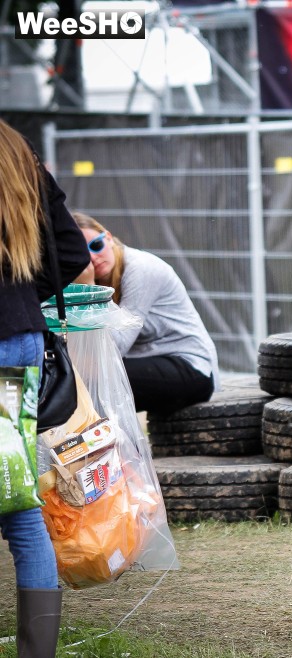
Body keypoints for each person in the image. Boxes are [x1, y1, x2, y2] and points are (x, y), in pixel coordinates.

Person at [0, 119, 90, 657]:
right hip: (18, 338)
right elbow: (73, 252)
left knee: (15, 499)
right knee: (15, 499)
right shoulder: (16, 150)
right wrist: (18, 294)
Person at [73, 213, 220, 416]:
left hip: (192, 368)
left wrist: (89, 289)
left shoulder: (140, 268)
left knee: (93, 382)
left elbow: (117, 346)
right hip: (155, 363)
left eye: (96, 245)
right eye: (82, 254)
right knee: (73, 380)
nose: (92, 258)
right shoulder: (88, 277)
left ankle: (92, 439)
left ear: (108, 237)